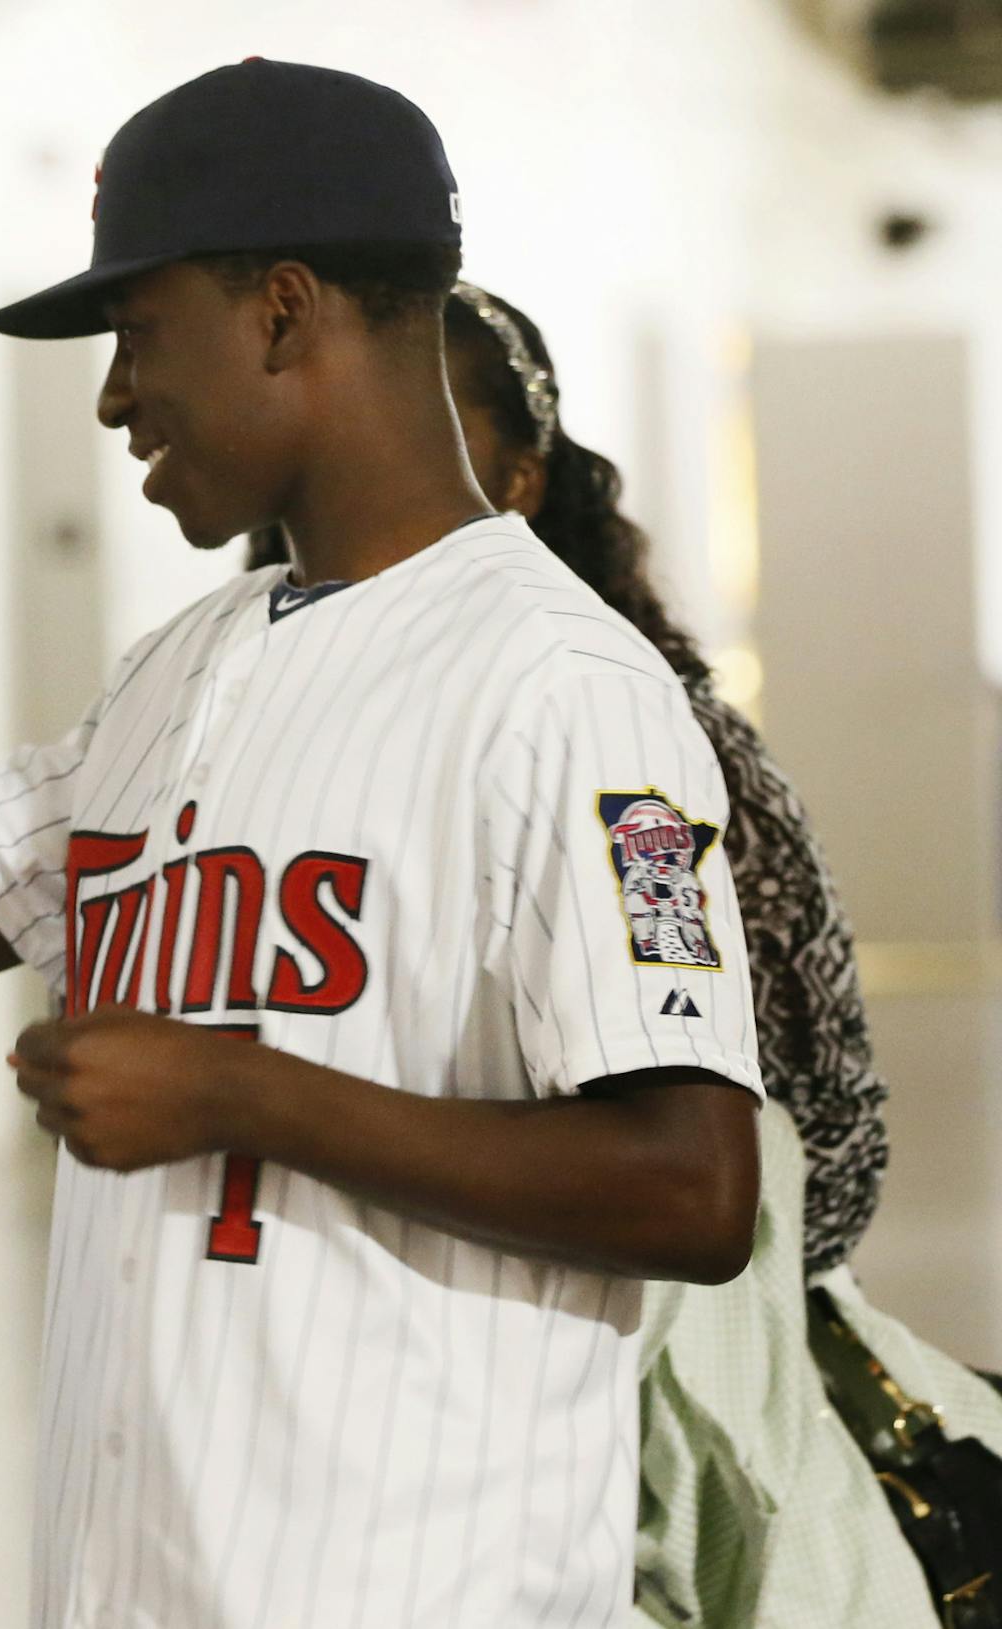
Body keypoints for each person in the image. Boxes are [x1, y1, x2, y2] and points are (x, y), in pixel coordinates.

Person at [0, 61, 764, 1629]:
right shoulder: (183, 666)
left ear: (282, 312)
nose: (115, 396)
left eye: (137, 331)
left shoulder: (564, 685)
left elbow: (695, 1184)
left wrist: (243, 1090)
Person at [397, 282, 1002, 1627]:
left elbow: (820, 1132)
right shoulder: (270, 735)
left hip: (627, 1394)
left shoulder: (644, 739)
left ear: (523, 478)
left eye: (429, 430)